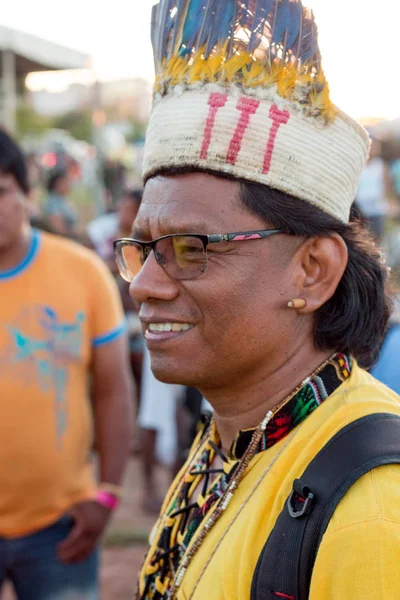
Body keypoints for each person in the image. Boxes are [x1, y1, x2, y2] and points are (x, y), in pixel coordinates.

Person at [113, 1, 400, 598]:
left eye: (190, 248)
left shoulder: (373, 509)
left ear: (312, 271)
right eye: (143, 248)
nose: (143, 283)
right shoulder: (231, 435)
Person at [0, 129, 134, 600]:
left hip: (61, 524)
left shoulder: (82, 273)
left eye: (1, 192)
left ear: (27, 194)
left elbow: (113, 389)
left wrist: (108, 494)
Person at [42, 168, 77, 237]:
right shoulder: (52, 202)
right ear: (58, 183)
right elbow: (58, 230)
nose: (69, 184)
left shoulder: (62, 200)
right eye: (66, 181)